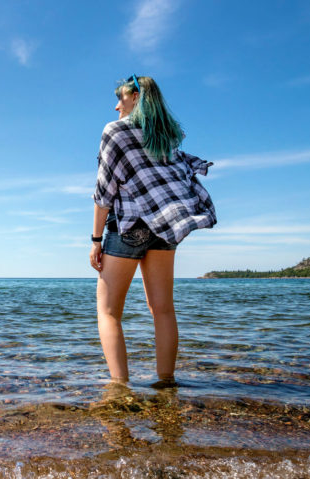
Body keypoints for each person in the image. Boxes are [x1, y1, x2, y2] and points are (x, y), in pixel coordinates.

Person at [89, 75, 216, 387]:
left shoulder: (115, 131)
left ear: (135, 97)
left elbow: (105, 191)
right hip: (164, 228)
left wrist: (95, 240)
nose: (116, 105)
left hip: (129, 226)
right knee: (162, 310)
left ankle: (120, 388)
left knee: (108, 312)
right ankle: (167, 382)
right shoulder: (166, 138)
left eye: (120, 97)